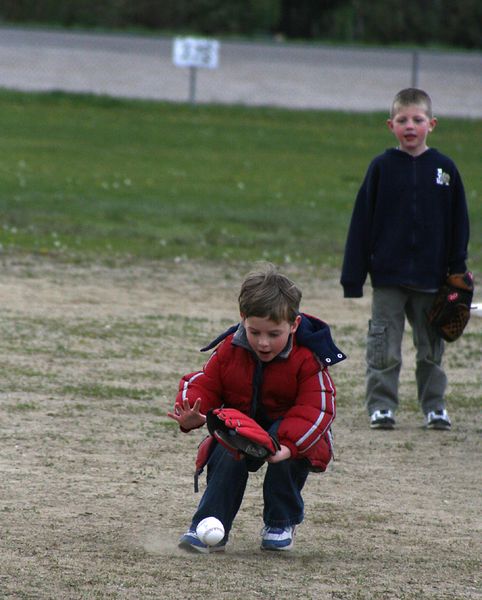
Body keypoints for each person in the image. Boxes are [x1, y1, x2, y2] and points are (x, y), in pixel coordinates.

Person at [167, 263, 346, 553]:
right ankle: (210, 525)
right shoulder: (230, 348)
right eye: (254, 332)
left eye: (274, 334)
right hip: (244, 425)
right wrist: (191, 414)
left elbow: (319, 408)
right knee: (227, 444)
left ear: (294, 325)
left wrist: (289, 445)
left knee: (287, 451)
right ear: (242, 320)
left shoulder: (308, 359)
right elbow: (204, 382)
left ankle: (280, 521)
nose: (263, 342)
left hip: (289, 430)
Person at [340, 88, 470, 431]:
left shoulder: (444, 169)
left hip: (432, 279)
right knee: (383, 346)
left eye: (417, 119)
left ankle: (434, 406)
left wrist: (457, 270)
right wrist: (353, 277)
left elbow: (459, 223)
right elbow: (361, 223)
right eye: (402, 120)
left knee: (431, 347)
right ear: (390, 125)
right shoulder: (382, 168)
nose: (410, 126)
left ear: (432, 124)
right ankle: (381, 406)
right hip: (388, 278)